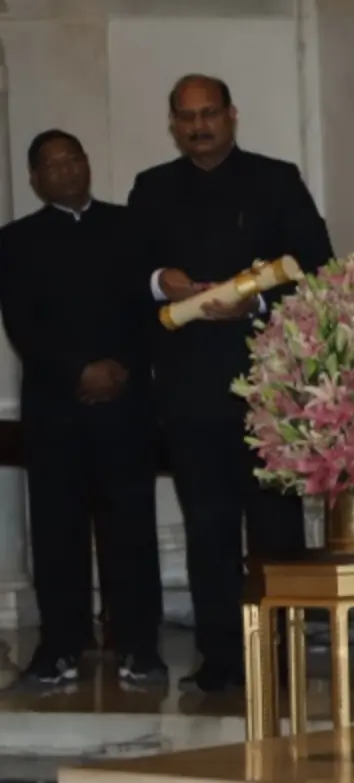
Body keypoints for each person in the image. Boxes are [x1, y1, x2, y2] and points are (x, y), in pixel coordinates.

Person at [131, 74, 335, 692]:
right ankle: (220, 657)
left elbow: (318, 266)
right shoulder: (153, 188)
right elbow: (126, 271)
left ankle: (282, 653)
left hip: (269, 387)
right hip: (190, 391)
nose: (200, 126)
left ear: (232, 115)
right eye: (187, 117)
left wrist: (256, 306)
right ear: (173, 124)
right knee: (208, 527)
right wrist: (160, 280)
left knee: (276, 527)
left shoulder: (276, 180)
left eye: (210, 113)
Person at [0, 130, 166, 684]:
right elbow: (23, 323)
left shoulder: (130, 226)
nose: (67, 169)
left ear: (87, 164)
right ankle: (60, 644)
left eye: (75, 157)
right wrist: (78, 371)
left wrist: (120, 367)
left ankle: (139, 643)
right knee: (57, 530)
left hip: (126, 403)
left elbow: (150, 311)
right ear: (35, 178)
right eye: (53, 163)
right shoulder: (15, 241)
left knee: (132, 529)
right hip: (56, 408)